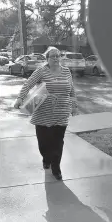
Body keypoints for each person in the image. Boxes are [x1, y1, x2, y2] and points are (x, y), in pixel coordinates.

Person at [14, 47, 78, 180]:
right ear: (47, 58)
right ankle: (46, 158)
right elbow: (28, 84)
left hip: (61, 112)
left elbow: (71, 90)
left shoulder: (66, 72)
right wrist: (20, 98)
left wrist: (73, 106)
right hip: (43, 113)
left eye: (58, 56)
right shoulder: (41, 71)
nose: (56, 58)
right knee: (43, 143)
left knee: (58, 142)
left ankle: (56, 168)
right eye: (52, 56)